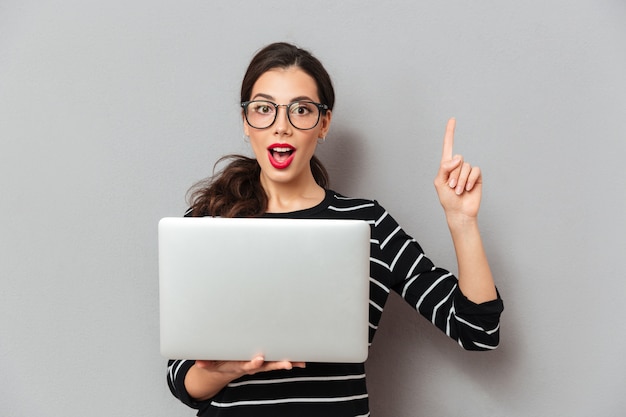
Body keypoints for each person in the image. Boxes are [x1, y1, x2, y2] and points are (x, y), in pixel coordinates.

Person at [167, 42, 503, 417]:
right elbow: (181, 379)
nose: (282, 125)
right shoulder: (208, 224)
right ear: (246, 123)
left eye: (301, 110)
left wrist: (462, 222)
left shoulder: (368, 224)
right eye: (264, 109)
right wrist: (225, 371)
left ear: (323, 124)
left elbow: (477, 331)